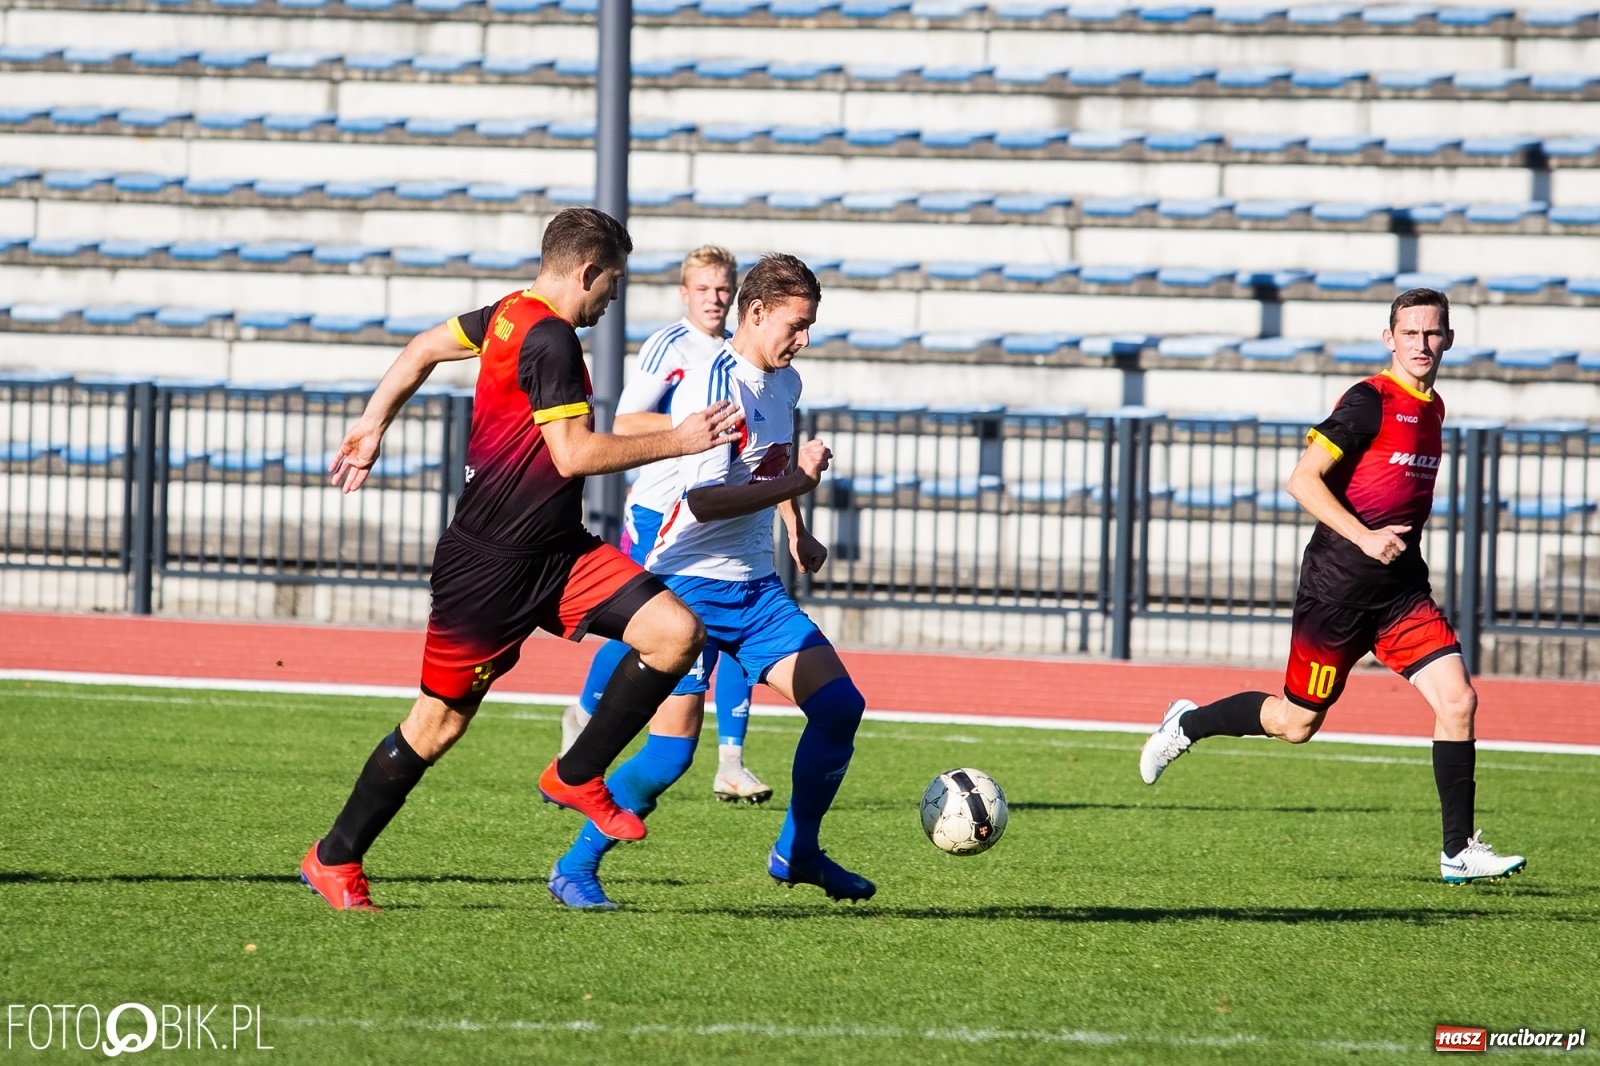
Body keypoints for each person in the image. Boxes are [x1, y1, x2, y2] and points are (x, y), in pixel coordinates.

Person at [298, 208, 745, 910]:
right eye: (614, 282)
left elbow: (419, 350)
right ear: (587, 272)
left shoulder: (509, 312)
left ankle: (577, 772)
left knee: (676, 634)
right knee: (437, 724)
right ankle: (334, 857)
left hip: (557, 551)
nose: (615, 296)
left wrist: (373, 421)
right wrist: (678, 441)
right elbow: (574, 455)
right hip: (491, 566)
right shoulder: (551, 339)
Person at [1137, 288, 1526, 885]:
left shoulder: (1434, 407)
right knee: (1295, 724)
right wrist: (1366, 537)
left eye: (1433, 333)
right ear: (1389, 338)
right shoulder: (1368, 401)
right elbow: (1302, 479)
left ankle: (1458, 850)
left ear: (1448, 339)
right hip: (1337, 592)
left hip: (1399, 594)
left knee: (1460, 700)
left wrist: (1386, 550)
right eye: (1411, 333)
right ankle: (1186, 724)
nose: (1422, 344)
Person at [548, 253, 876, 910]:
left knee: (840, 708)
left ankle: (797, 852)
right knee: (671, 758)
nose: (804, 339)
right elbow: (705, 501)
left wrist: (795, 524)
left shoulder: (785, 385)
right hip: (688, 587)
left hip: (754, 591)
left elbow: (771, 463)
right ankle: (575, 865)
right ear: (756, 314)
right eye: (797, 325)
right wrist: (797, 484)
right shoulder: (711, 384)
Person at [560, 246, 773, 804]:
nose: (715, 299)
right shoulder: (669, 346)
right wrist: (696, 424)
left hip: (725, 508)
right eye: (704, 289)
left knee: (732, 634)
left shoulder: (744, 353)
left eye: (724, 288)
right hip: (662, 509)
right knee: (657, 628)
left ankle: (731, 760)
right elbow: (626, 420)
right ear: (685, 293)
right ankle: (582, 717)